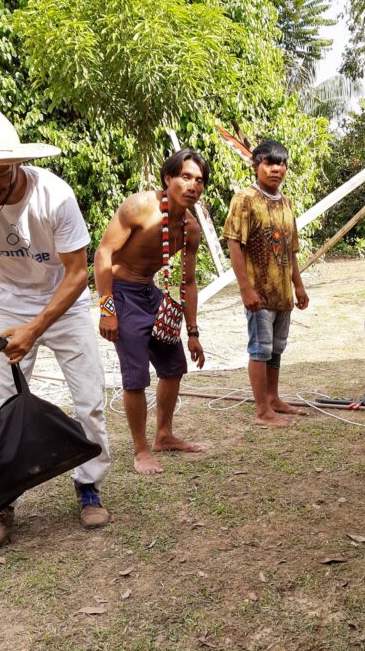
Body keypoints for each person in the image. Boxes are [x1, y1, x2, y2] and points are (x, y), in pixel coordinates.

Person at [0, 106, 111, 547]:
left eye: (0, 174)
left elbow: (77, 273)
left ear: (18, 161)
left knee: (89, 400)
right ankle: (1, 499)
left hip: (62, 304)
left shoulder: (55, 195)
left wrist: (37, 327)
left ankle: (88, 485)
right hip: (9, 303)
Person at [94, 149, 207, 475]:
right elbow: (103, 254)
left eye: (199, 181)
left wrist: (193, 331)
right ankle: (141, 450)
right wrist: (107, 309)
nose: (192, 186)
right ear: (168, 178)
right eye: (185, 177)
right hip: (121, 293)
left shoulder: (190, 229)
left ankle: (164, 435)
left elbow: (188, 282)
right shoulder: (141, 207)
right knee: (136, 377)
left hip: (150, 293)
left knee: (174, 366)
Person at [223, 139, 309, 427]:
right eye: (269, 163)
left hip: (282, 291)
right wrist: (245, 288)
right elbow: (235, 245)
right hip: (258, 291)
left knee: (276, 348)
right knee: (260, 349)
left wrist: (298, 285)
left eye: (282, 164)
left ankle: (273, 398)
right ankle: (262, 410)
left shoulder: (286, 202)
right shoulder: (245, 199)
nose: (276, 169)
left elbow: (291, 248)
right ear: (256, 165)